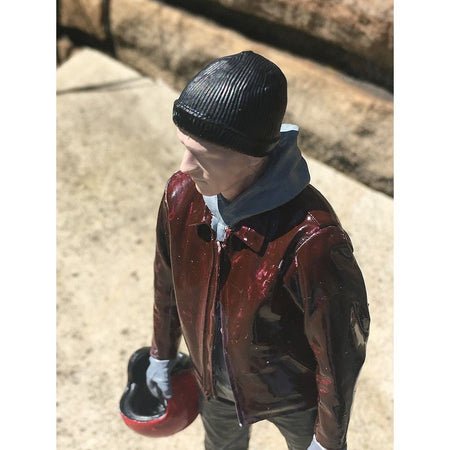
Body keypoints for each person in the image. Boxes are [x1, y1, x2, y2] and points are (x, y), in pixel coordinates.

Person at [146, 51, 370, 450]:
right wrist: (161, 355)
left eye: (205, 156)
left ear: (253, 158)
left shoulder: (312, 239)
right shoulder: (181, 197)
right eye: (184, 147)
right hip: (214, 384)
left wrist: (328, 439)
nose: (186, 166)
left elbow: (339, 349)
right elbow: (168, 284)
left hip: (294, 395)